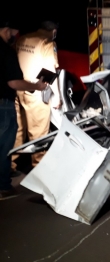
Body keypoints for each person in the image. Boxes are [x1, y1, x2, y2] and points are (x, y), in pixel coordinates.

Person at [0, 20, 47, 200]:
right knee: (4, 145)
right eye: (13, 33)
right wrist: (36, 86)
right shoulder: (6, 51)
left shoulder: (19, 45)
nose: (14, 37)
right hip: (4, 103)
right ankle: (4, 187)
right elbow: (14, 82)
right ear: (7, 30)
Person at [11, 21, 61, 175]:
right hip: (35, 91)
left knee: (17, 130)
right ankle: (39, 167)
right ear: (53, 31)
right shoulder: (47, 43)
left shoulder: (23, 39)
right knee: (39, 132)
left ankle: (9, 165)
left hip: (18, 88)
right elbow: (50, 71)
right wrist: (57, 97)